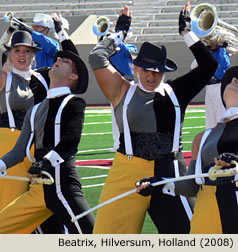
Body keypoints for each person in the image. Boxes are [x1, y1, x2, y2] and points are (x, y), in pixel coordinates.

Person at [88, 2, 218, 233]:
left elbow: (210, 64)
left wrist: (186, 32)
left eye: (157, 71)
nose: (151, 75)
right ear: (136, 69)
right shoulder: (121, 90)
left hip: (170, 170)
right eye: (146, 69)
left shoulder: (176, 91)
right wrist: (120, 32)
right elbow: (97, 57)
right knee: (107, 239)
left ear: (164, 71)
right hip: (126, 171)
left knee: (190, 235)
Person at [0, 47, 95, 234]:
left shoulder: (74, 103)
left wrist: (44, 162)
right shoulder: (34, 110)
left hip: (63, 185)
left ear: (73, 77)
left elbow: (71, 141)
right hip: (37, 190)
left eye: (65, 62)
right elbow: (18, 152)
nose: (58, 60)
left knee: (92, 236)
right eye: (57, 58)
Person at [137, 66, 238, 234]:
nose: (235, 81)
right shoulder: (203, 138)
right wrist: (159, 183)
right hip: (207, 216)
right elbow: (191, 186)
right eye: (233, 80)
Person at [108, 6, 137, 152]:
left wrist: (119, 38)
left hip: (128, 81)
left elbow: (129, 51)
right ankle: (117, 142)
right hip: (115, 81)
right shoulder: (113, 47)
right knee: (115, 114)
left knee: (129, 112)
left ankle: (130, 140)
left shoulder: (129, 47)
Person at [204, 41, 230, 128]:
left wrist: (222, 49)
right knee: (209, 117)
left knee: (220, 115)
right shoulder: (208, 53)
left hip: (219, 85)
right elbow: (194, 65)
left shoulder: (222, 52)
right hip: (208, 86)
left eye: (213, 42)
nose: (211, 44)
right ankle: (210, 138)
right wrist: (205, 51)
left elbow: (225, 64)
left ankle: (222, 137)